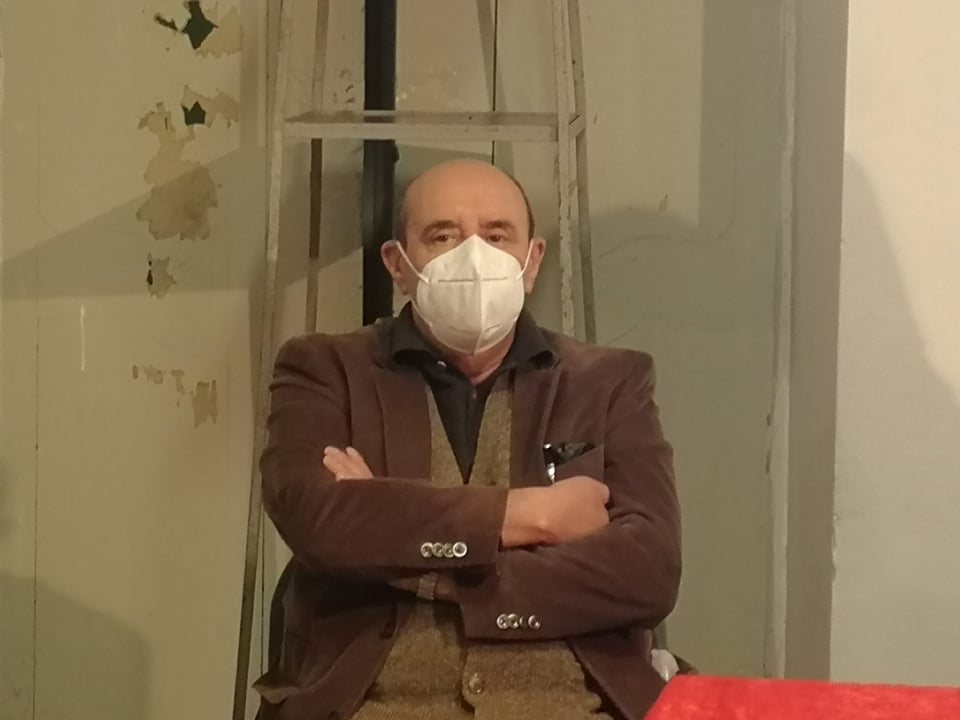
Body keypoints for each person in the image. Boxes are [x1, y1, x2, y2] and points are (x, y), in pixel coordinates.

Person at [254, 159, 681, 720]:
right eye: (443, 236)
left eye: (497, 235)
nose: (474, 256)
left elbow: (647, 572)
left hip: (568, 706)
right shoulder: (324, 368)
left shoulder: (609, 380)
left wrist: (406, 549)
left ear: (532, 261)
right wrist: (533, 515)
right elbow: (320, 521)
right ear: (398, 264)